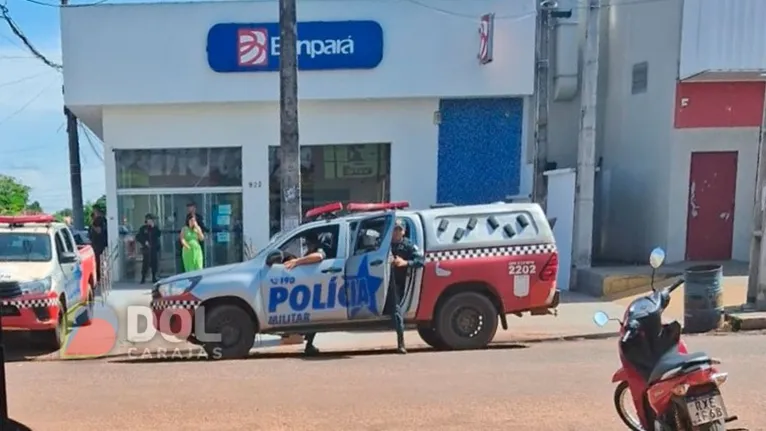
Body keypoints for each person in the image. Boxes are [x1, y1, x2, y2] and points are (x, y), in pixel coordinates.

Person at [284, 231, 329, 356]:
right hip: (310, 288)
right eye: (306, 243)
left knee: (313, 318)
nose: (307, 245)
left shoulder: (319, 250)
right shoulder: (308, 252)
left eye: (309, 242)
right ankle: (307, 342)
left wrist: (297, 261)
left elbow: (319, 257)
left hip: (319, 288)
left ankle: (308, 343)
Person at [389, 218, 424, 354]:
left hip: (398, 283)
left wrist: (405, 263)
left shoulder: (408, 245)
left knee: (397, 311)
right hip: (384, 281)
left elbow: (420, 261)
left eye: (399, 230)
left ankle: (401, 343)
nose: (396, 233)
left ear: (403, 232)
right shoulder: (384, 245)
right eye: (394, 230)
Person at [136, 214, 161, 283]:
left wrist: (153, 227)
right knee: (145, 263)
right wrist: (144, 242)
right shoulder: (143, 228)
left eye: (151, 220)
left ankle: (154, 277)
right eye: (149, 219)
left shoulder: (155, 228)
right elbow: (138, 237)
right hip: (146, 248)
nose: (150, 221)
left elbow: (158, 234)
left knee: (154, 263)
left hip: (153, 248)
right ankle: (143, 277)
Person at [88, 206, 108, 282]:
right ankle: (102, 276)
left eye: (94, 211)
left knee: (98, 262)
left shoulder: (98, 221)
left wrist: (92, 225)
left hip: (98, 245)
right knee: (101, 261)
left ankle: (99, 277)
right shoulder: (104, 220)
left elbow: (98, 231)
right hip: (100, 244)